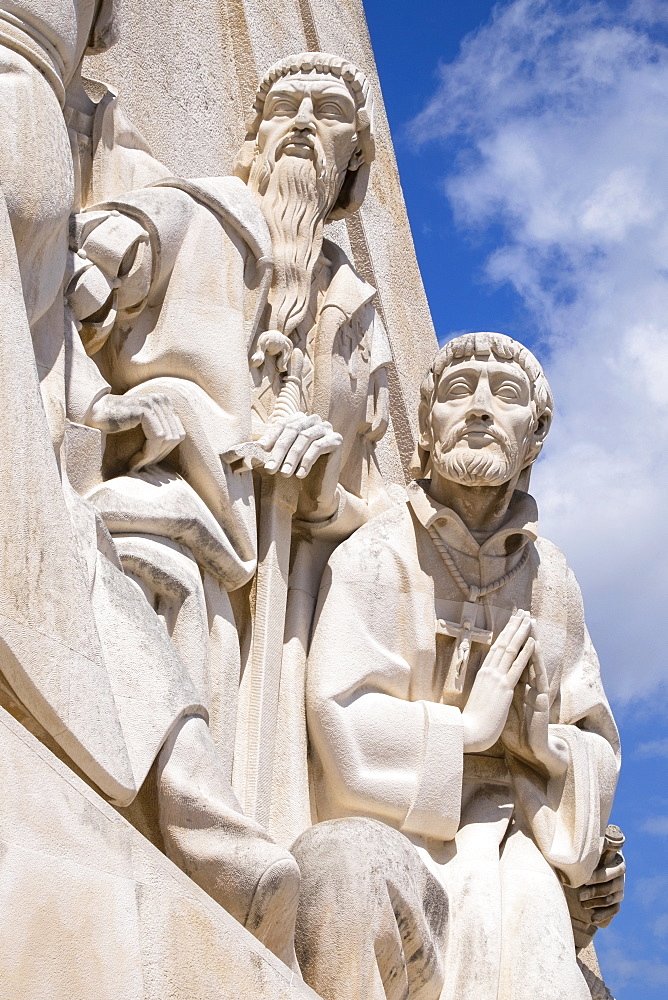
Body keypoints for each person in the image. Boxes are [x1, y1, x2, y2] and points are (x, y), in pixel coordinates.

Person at [0, 2, 300, 964]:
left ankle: (192, 802)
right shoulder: (186, 205)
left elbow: (49, 338)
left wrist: (100, 406)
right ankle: (196, 808)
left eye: (334, 134)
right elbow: (93, 273)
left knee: (83, 558)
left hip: (184, 510)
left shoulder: (335, 311)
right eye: (290, 112)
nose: (307, 140)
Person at [65, 52, 393, 844]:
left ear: (354, 161)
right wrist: (109, 403)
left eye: (329, 113)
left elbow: (383, 525)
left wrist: (321, 490)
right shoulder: (185, 214)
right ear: (255, 135)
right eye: (286, 105)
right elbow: (44, 289)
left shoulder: (359, 324)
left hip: (272, 621)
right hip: (163, 518)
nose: (305, 122)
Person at [296, 332, 622, 999]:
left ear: (533, 437)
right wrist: (465, 734)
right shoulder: (379, 551)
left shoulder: (551, 580)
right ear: (427, 426)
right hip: (403, 836)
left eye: (504, 396)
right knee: (349, 867)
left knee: (533, 927)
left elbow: (596, 739)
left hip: (511, 845)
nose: (478, 408)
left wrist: (548, 749)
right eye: (456, 392)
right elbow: (341, 720)